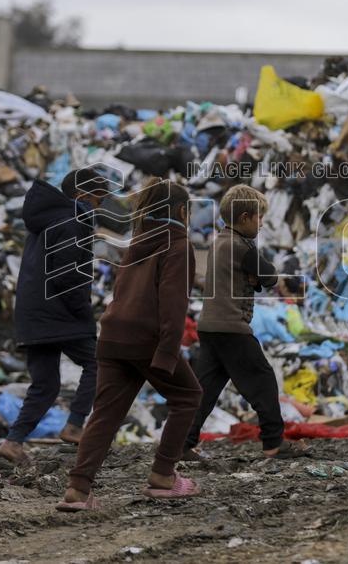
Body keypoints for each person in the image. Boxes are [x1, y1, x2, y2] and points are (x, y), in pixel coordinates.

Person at [57, 177, 203, 511]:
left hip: (111, 336)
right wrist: (167, 351)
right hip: (145, 338)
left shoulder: (137, 242)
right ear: (182, 211)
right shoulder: (178, 245)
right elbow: (173, 302)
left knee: (105, 414)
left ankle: (77, 490)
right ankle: (164, 473)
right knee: (188, 395)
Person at [183, 184, 307, 461]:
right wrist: (257, 278)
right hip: (231, 327)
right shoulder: (242, 246)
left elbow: (258, 277)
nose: (261, 224)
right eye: (259, 218)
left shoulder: (220, 241)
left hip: (209, 326)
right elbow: (271, 277)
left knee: (206, 390)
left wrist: (255, 278)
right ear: (244, 218)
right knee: (262, 380)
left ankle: (184, 443)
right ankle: (274, 442)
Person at [0, 168, 110, 466]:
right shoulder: (72, 222)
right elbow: (66, 278)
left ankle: (13, 442)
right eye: (99, 200)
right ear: (84, 196)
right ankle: (74, 425)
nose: (99, 208)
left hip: (34, 315)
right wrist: (86, 315)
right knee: (98, 362)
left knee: (45, 385)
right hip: (59, 314)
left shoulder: (47, 219)